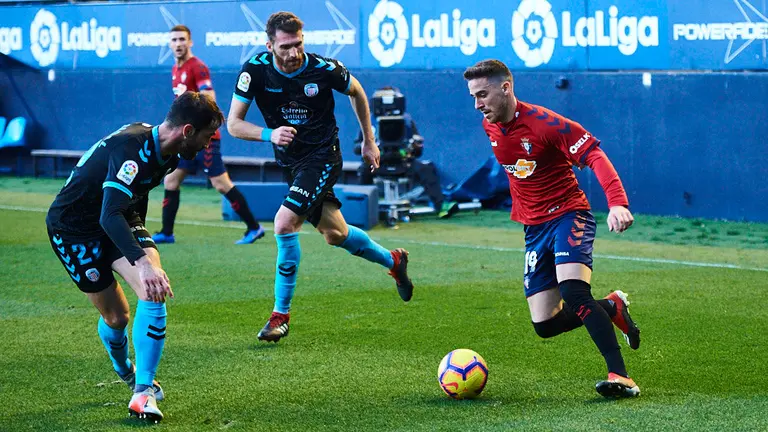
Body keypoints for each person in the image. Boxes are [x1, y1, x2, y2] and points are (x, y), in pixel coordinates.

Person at [227, 11, 413, 343]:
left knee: (284, 223)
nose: (293, 52)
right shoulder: (254, 70)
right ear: (269, 45)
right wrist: (269, 134)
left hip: (323, 156)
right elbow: (234, 124)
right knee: (335, 233)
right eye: (285, 46)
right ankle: (393, 260)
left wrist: (369, 141)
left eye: (298, 43)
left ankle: (279, 316)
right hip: (291, 164)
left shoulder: (324, 69)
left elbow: (357, 92)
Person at [463, 59, 642, 399]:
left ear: (506, 87)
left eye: (483, 94)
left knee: (574, 292)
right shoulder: (491, 126)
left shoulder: (546, 124)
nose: (478, 104)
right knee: (545, 325)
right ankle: (611, 307)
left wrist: (617, 202)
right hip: (534, 229)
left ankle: (621, 376)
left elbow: (594, 155)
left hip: (568, 215)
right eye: (473, 96)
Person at [46, 92, 224, 422]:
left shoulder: (169, 152)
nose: (207, 145)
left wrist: (143, 248)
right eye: (206, 136)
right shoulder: (132, 150)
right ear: (187, 131)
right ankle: (124, 368)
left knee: (153, 287)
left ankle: (142, 393)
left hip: (117, 217)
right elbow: (109, 212)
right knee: (117, 319)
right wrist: (141, 261)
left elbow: (130, 199)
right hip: (74, 229)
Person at [152, 24, 264, 245]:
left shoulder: (198, 67)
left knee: (221, 184)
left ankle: (254, 227)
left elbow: (208, 98)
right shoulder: (176, 69)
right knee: (171, 180)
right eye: (174, 40)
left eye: (182, 39)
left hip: (204, 140)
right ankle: (167, 232)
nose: (178, 44)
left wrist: (197, 127)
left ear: (190, 42)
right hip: (186, 140)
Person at [354, 87, 458, 218]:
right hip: (378, 162)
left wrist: (415, 146)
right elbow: (356, 147)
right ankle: (361, 209)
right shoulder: (369, 121)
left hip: (403, 162)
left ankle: (441, 205)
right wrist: (368, 146)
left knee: (426, 169)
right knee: (364, 169)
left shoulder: (407, 121)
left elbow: (418, 150)